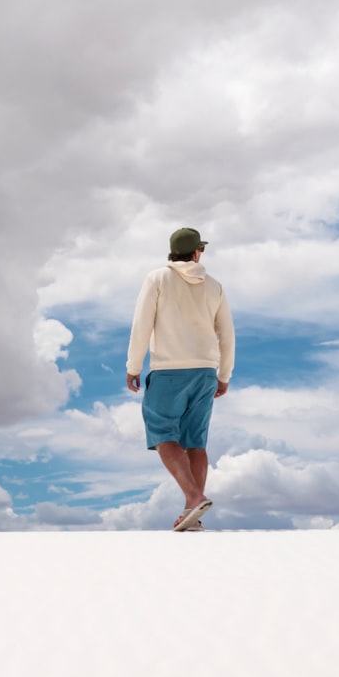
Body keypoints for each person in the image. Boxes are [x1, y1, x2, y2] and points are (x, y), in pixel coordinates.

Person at [126, 227, 235, 531]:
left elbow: (142, 323)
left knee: (163, 435)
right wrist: (223, 375)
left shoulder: (157, 278)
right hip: (205, 372)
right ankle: (193, 514)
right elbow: (227, 335)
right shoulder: (215, 286)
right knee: (195, 441)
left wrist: (133, 366)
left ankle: (193, 496)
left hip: (169, 369)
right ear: (197, 252)